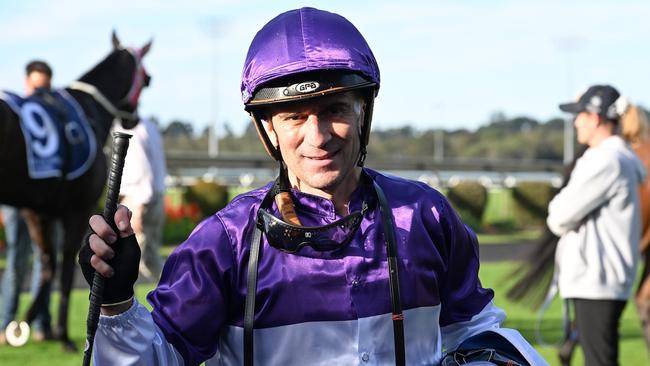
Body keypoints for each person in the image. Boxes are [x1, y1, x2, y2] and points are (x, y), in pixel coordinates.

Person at [79, 7, 546, 365]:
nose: (317, 137)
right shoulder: (223, 244)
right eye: (294, 118)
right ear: (268, 131)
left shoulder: (425, 216)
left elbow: (475, 330)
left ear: (364, 113)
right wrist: (118, 303)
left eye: (336, 110)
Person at [547, 85, 646, 366]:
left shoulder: (606, 160)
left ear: (596, 118)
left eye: (580, 115)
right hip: (602, 280)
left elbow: (559, 215)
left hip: (597, 280)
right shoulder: (617, 157)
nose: (575, 121)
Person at [0, 60, 54, 344]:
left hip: (42, 202)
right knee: (16, 261)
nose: (40, 94)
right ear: (26, 84)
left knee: (43, 262)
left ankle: (39, 325)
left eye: (45, 88)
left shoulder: (50, 124)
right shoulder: (14, 113)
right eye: (36, 87)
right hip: (14, 201)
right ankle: (4, 325)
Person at [114, 117, 167, 281]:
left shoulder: (128, 128)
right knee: (151, 259)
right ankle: (176, 296)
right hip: (155, 196)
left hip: (138, 199)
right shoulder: (149, 126)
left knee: (126, 262)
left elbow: (141, 168)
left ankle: (126, 306)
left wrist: (137, 209)